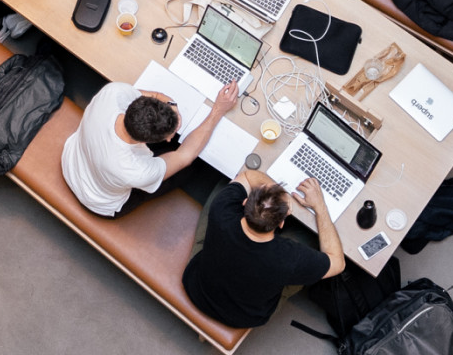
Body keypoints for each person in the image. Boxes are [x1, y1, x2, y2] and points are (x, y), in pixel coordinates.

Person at [181, 174, 344, 330]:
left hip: (197, 287)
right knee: (310, 236)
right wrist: (319, 206)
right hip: (241, 317)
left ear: (245, 202)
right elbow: (338, 263)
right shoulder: (289, 258)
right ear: (281, 223)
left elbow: (246, 176)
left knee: (224, 184)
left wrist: (274, 192)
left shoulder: (223, 209)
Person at [61, 80, 238, 216]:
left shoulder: (113, 92)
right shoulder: (136, 171)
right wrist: (218, 110)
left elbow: (154, 95)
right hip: (98, 201)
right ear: (152, 141)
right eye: (169, 136)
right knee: (193, 164)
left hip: (73, 159)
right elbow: (185, 156)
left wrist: (172, 106)